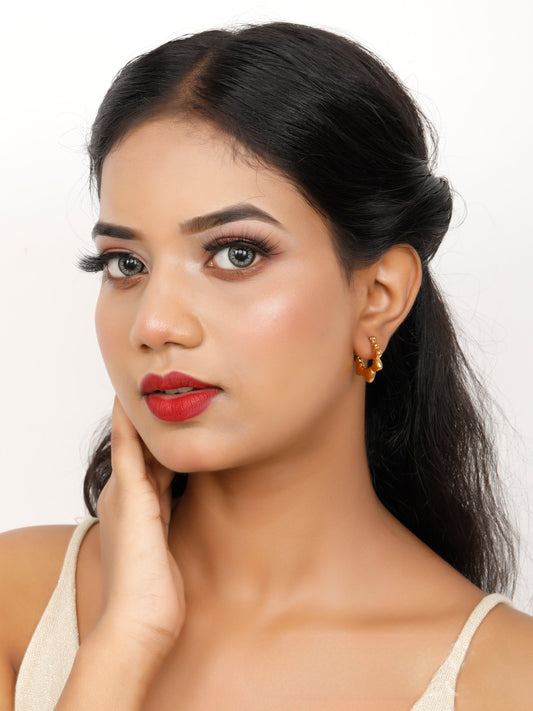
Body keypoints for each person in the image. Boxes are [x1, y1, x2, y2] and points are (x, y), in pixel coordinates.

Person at [1, 20, 532, 710]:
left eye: (236, 254)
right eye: (125, 264)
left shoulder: (506, 680)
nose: (154, 324)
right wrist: (125, 639)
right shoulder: (17, 602)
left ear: (377, 296)